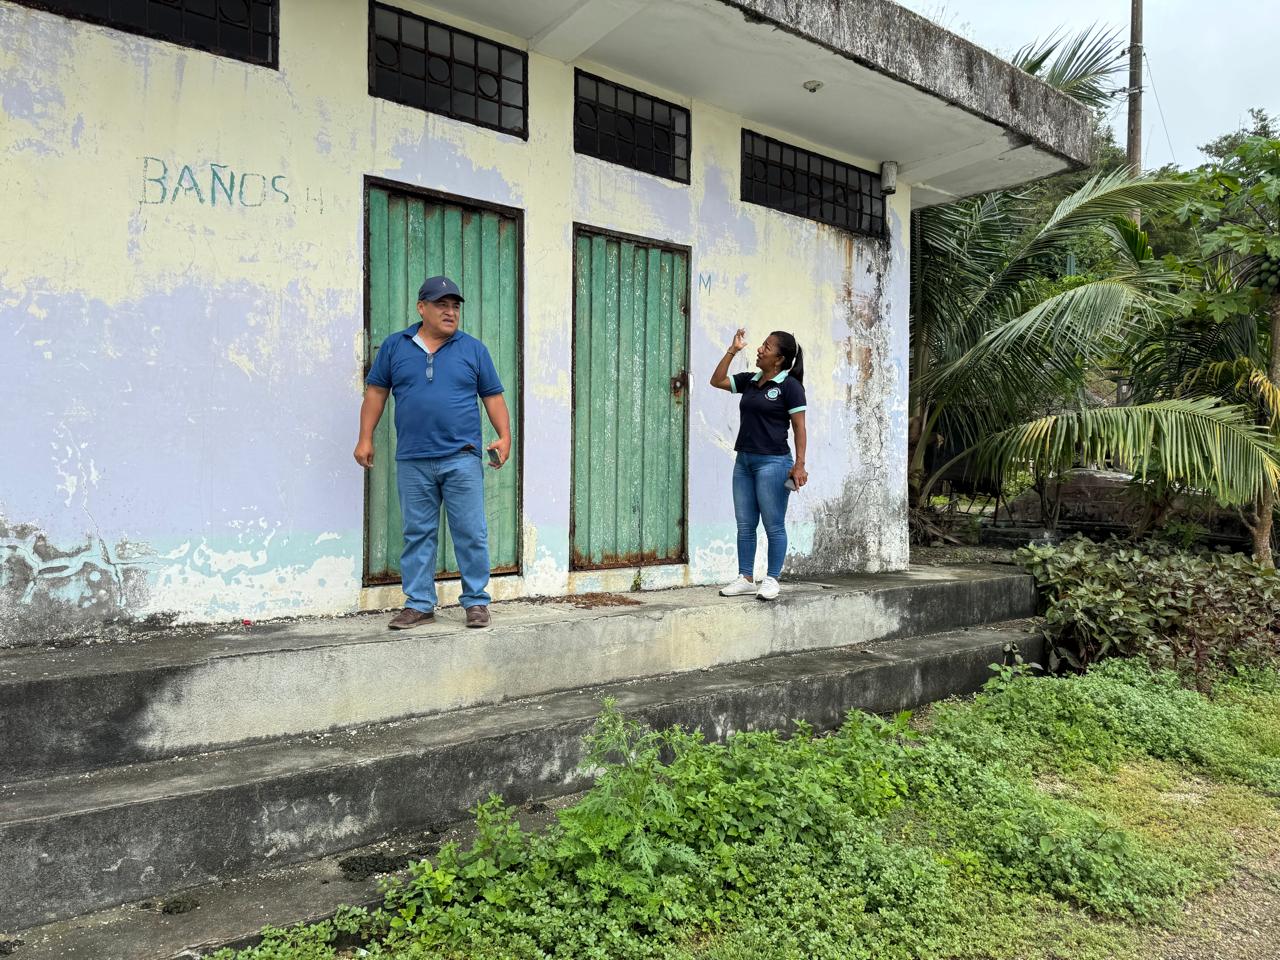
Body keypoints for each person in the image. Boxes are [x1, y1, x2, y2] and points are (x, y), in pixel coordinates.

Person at [354, 276, 511, 629]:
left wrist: (505, 436)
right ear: (421, 308)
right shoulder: (395, 347)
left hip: (461, 456)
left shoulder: (473, 350)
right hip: (413, 458)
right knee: (417, 533)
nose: (450, 312)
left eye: (455, 306)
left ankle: (476, 601)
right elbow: (376, 393)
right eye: (442, 305)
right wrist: (365, 438)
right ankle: (420, 604)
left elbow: (493, 396)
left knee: (471, 532)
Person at [709, 328, 807, 601]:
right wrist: (733, 350)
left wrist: (799, 465)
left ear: (779, 359)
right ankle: (746, 578)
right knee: (745, 524)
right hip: (744, 461)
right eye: (762, 345)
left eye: (767, 347)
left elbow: (799, 428)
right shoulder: (751, 381)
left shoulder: (790, 386)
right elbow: (717, 380)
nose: (760, 349)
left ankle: (772, 579)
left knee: (773, 525)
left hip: (773, 463)